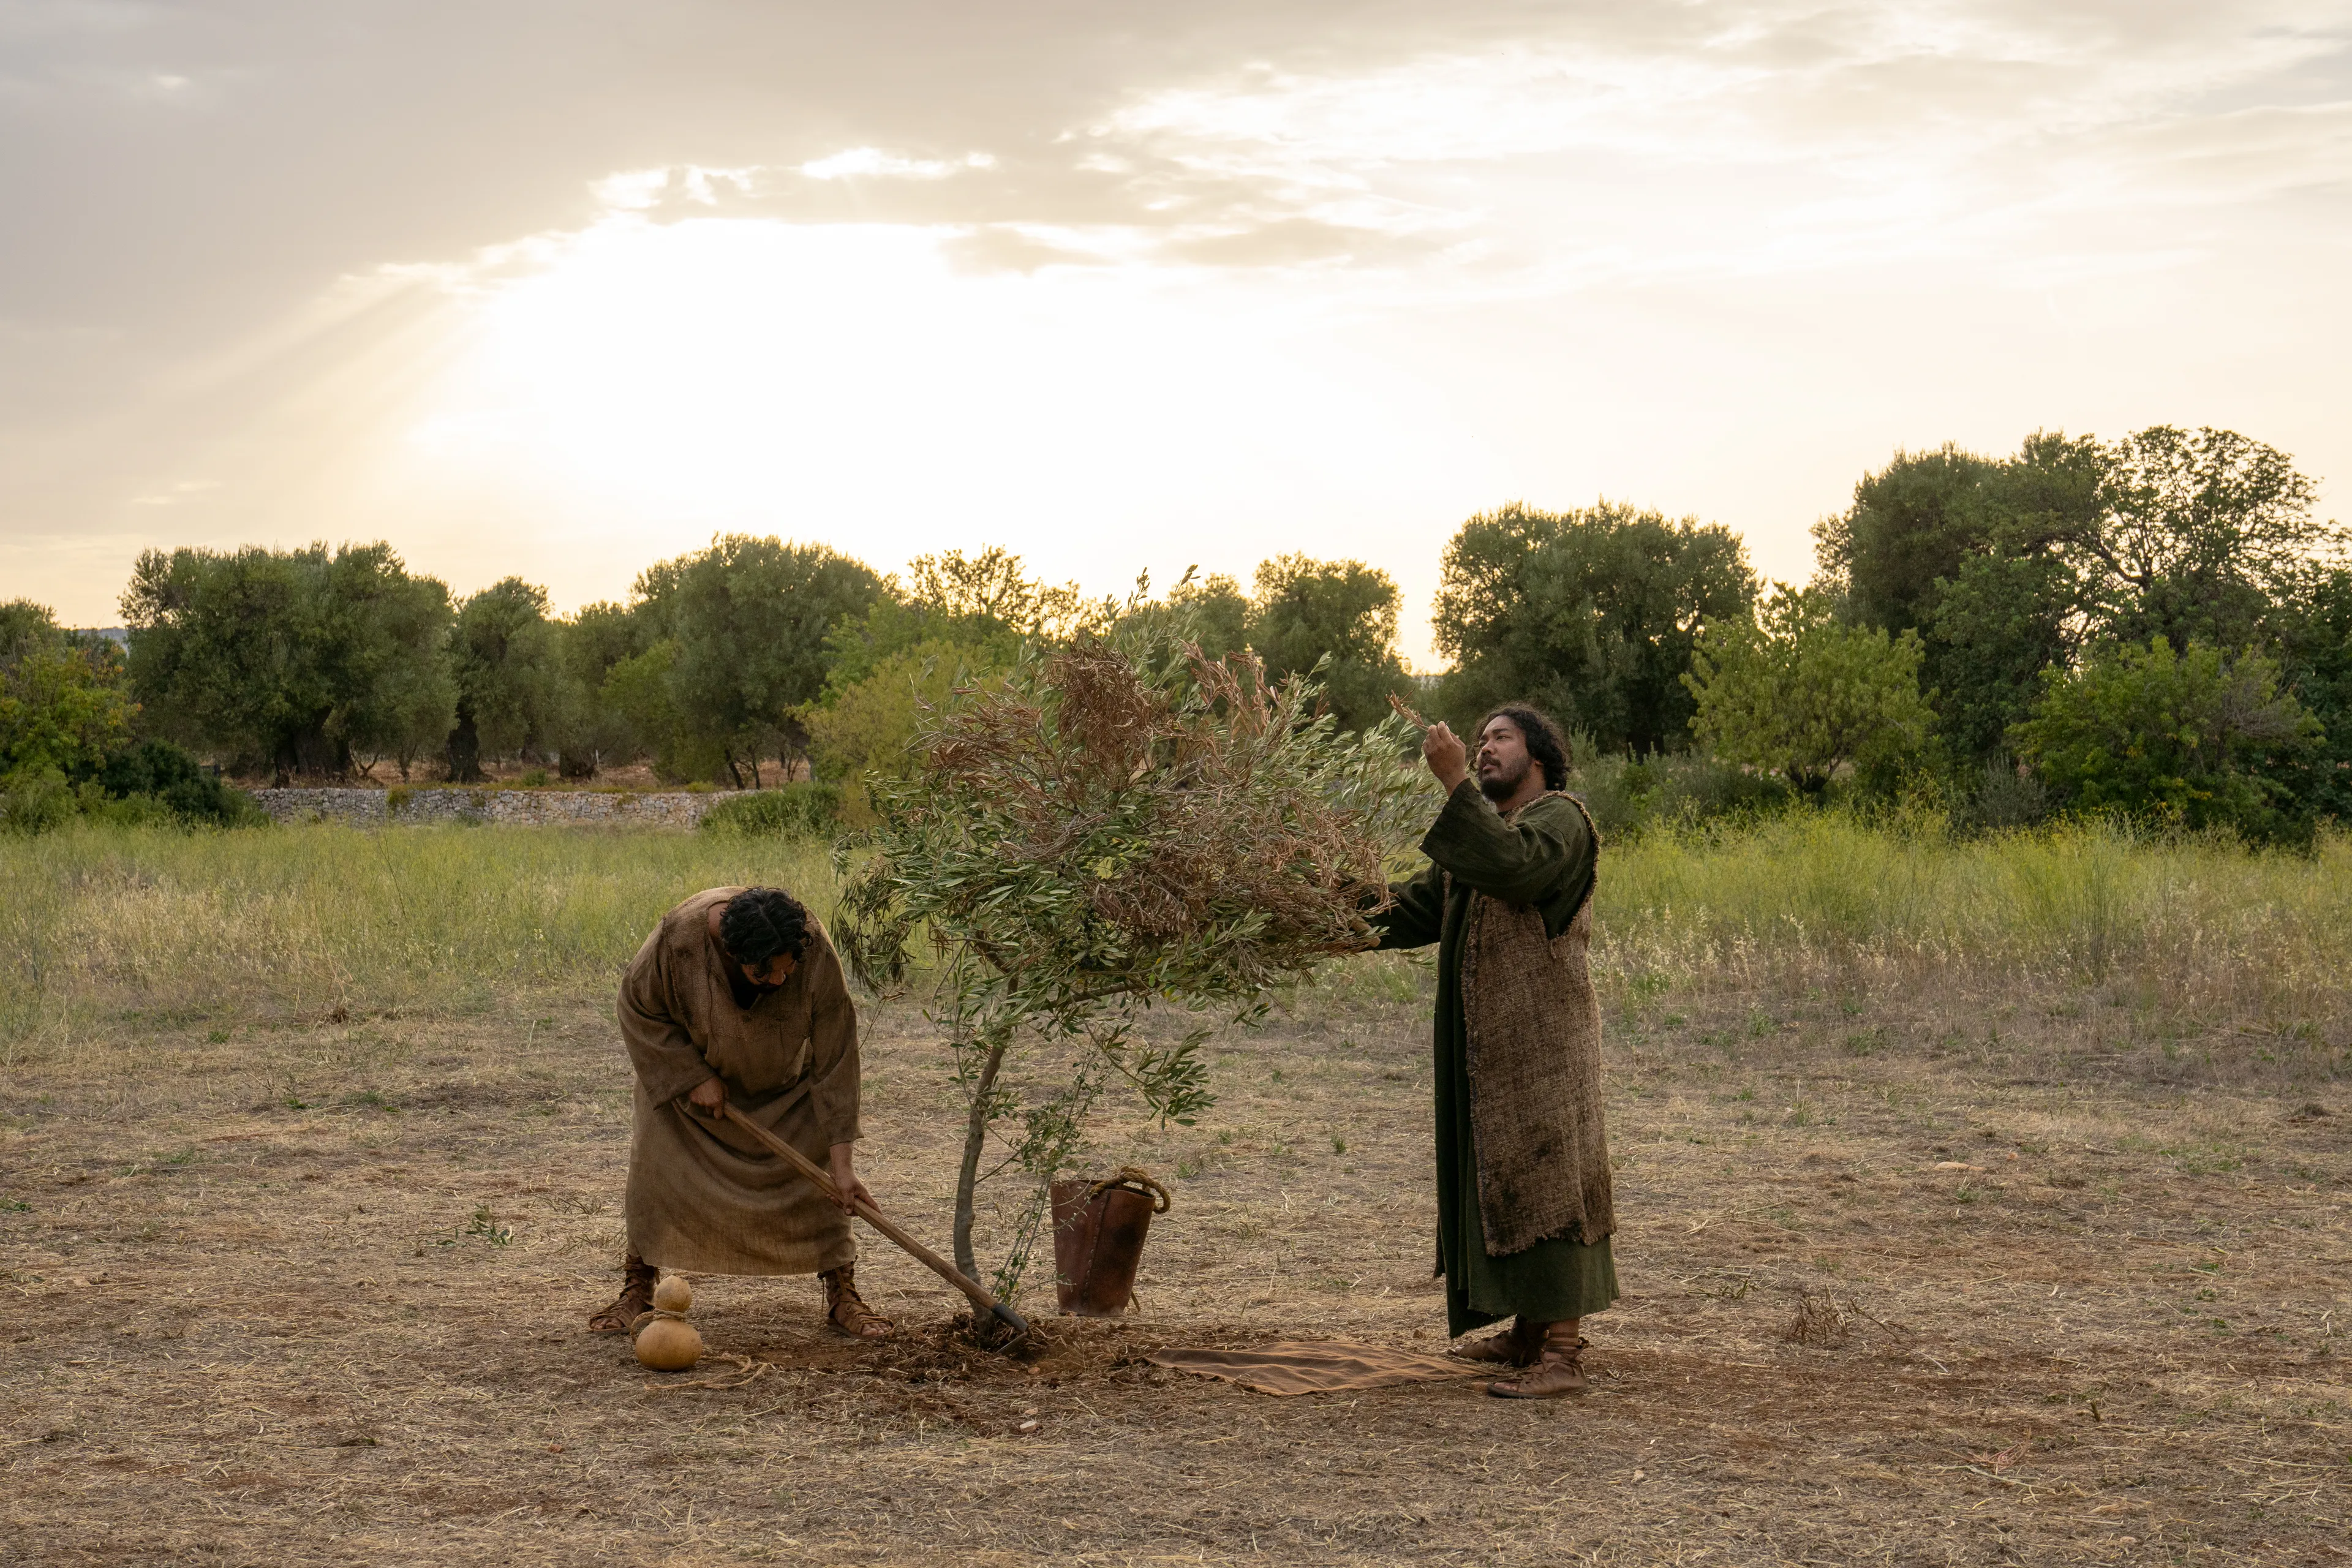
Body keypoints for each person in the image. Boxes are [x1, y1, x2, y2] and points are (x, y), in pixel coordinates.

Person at [1371, 704, 1615, 1398]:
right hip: (1490, 1052)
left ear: (1538, 755)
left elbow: (1517, 869)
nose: (1483, 748)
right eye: (1478, 741)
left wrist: (1454, 783)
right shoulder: (1484, 836)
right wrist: (1314, 908)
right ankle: (1528, 1334)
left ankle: (1562, 1357)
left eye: (1500, 738)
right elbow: (1414, 907)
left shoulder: (1562, 819)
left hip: (1546, 1048)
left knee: (1551, 1185)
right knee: (1504, 1182)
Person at [588, 884, 892, 1340]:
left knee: (821, 1190)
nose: (780, 981)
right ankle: (638, 1286)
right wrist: (690, 1075)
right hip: (692, 1102)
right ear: (733, 953)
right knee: (655, 1175)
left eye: (788, 970)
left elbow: (837, 1059)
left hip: (789, 1096)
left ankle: (842, 1294)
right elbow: (636, 1008)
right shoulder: (677, 940)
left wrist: (843, 1167)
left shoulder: (813, 951)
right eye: (766, 972)